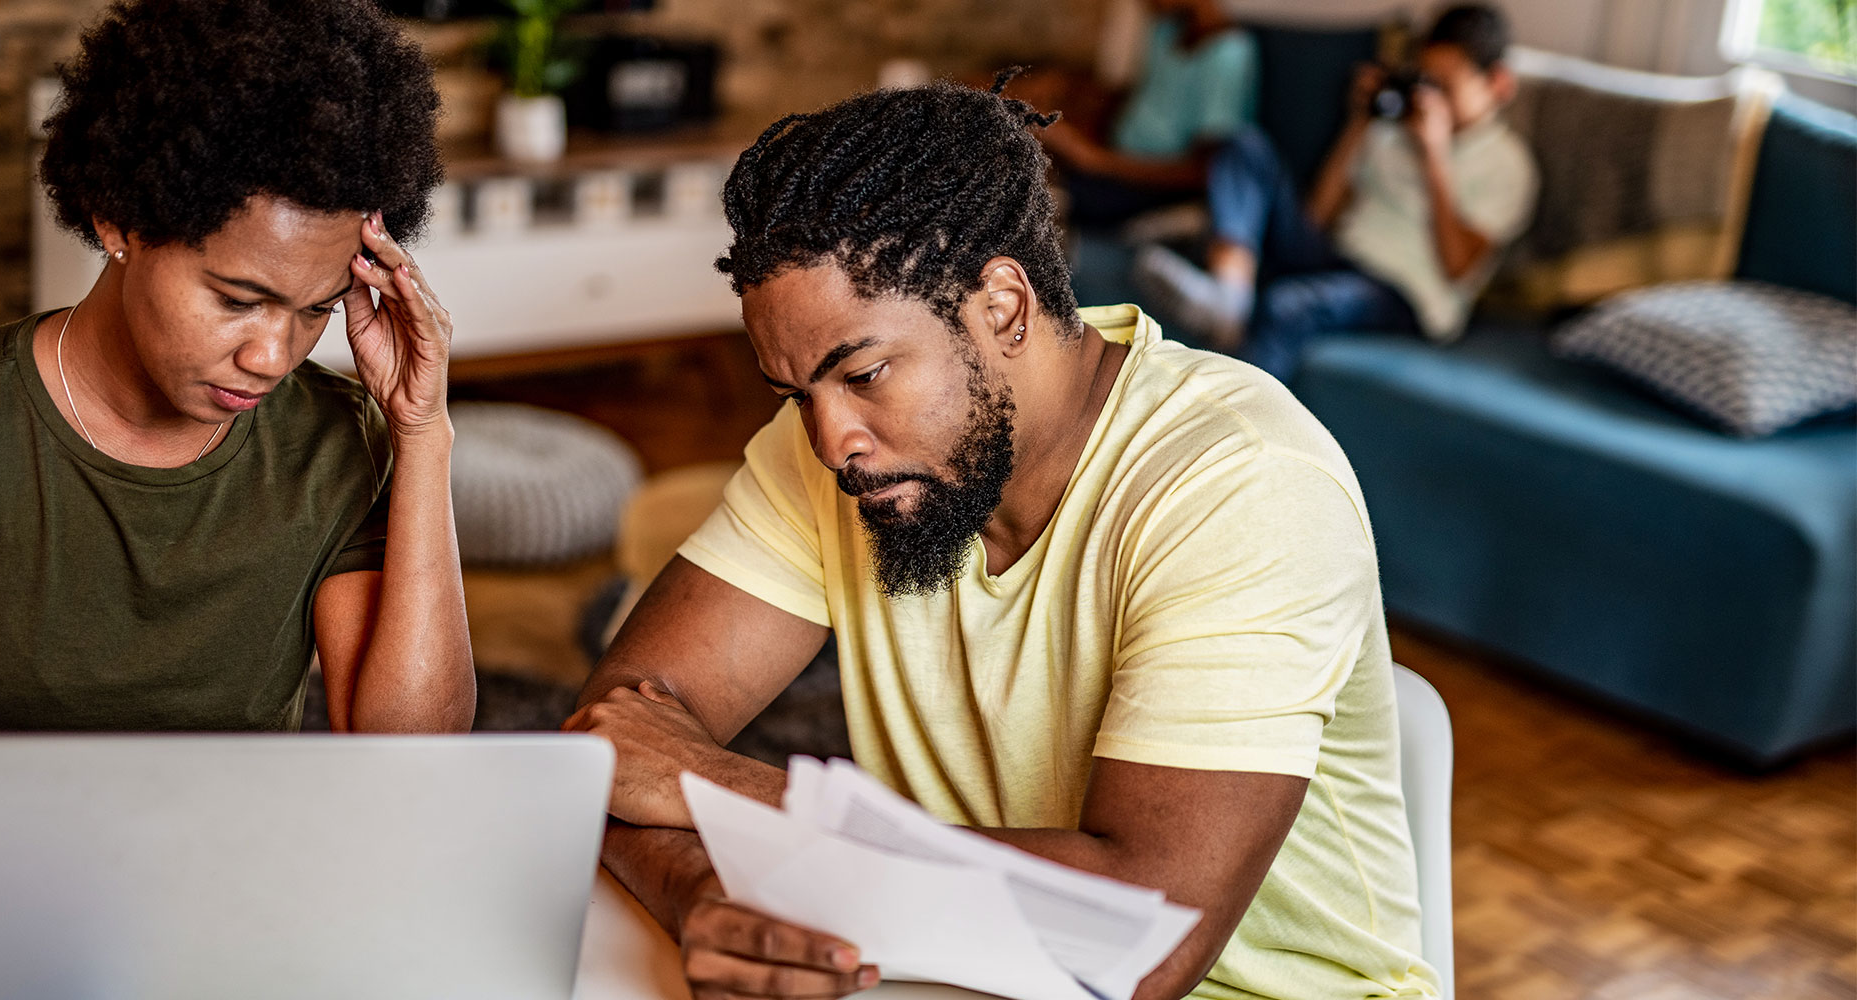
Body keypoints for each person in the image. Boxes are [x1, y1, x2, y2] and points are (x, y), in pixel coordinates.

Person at [564, 73, 1439, 1000]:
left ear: (1006, 307)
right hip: (959, 972)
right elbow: (613, 742)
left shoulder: (1242, 481)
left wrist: (724, 786)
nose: (830, 442)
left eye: (862, 373)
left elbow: (1144, 945)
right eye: (796, 395)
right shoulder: (846, 452)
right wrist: (708, 899)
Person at [0, 0, 476, 872]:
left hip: (222, 890)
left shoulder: (336, 441)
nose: (272, 356)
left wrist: (422, 433)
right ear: (120, 220)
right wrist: (66, 819)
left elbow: (413, 767)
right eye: (235, 298)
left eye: (317, 311)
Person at [1135, 3, 1538, 382]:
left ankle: (1229, 440)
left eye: (1447, 88)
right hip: (1339, 258)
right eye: (1427, 81)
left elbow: (1458, 268)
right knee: (1242, 146)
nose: (1432, 99)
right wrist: (1360, 123)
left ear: (1498, 84)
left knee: (1289, 305)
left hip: (1405, 294)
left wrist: (1434, 157)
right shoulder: (1396, 130)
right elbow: (1318, 216)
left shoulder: (1509, 165)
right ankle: (1228, 297)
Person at [1026, 0, 1258, 229]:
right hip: (1116, 159)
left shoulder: (1228, 54)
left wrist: (1096, 160)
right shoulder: (1165, 31)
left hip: (1153, 185)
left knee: (1044, 199)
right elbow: (1144, 98)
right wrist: (1068, 93)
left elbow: (1202, 172)